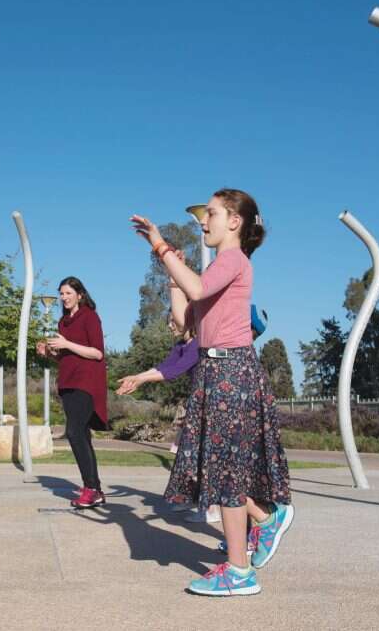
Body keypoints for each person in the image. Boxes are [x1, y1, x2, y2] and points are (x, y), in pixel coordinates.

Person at [131, 188, 293, 597]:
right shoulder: (221, 265)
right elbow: (185, 320)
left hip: (231, 370)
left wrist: (160, 244)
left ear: (234, 222)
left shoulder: (234, 259)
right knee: (221, 470)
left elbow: (199, 291)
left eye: (213, 214)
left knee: (227, 472)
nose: (204, 221)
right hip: (214, 370)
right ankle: (254, 540)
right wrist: (172, 276)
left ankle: (239, 571)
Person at [36, 277, 107, 509]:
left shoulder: (89, 316)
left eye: (68, 293)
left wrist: (66, 345)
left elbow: (97, 353)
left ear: (80, 294)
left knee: (74, 432)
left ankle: (92, 489)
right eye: (61, 294)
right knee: (82, 435)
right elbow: (66, 357)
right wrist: (49, 353)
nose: (64, 298)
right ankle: (94, 488)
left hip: (86, 383)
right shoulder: (63, 322)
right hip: (67, 383)